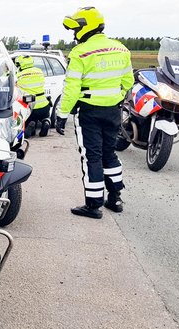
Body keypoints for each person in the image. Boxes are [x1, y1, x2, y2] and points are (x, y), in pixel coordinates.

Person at [56, 7, 133, 219]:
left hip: (88, 112)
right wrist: (113, 98)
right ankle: (115, 198)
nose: (74, 34)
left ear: (85, 27)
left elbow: (71, 88)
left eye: (75, 29)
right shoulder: (121, 50)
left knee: (92, 156)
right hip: (113, 111)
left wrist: (62, 116)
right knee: (109, 152)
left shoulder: (80, 53)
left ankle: (93, 205)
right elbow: (128, 82)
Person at [14, 55, 51, 137]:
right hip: (44, 105)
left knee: (26, 120)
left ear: (20, 64)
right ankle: (46, 122)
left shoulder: (18, 75)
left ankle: (30, 126)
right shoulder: (39, 71)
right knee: (45, 116)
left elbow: (15, 88)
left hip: (30, 107)